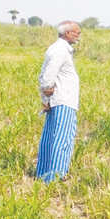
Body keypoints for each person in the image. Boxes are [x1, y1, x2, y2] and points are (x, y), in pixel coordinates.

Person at [36, 21, 81, 182]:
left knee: (51, 137)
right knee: (63, 138)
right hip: (63, 101)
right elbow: (47, 78)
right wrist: (46, 95)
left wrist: (46, 99)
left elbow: (43, 75)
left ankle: (44, 173)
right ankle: (55, 176)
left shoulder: (58, 49)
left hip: (58, 100)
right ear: (68, 33)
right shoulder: (60, 51)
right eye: (77, 33)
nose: (79, 36)